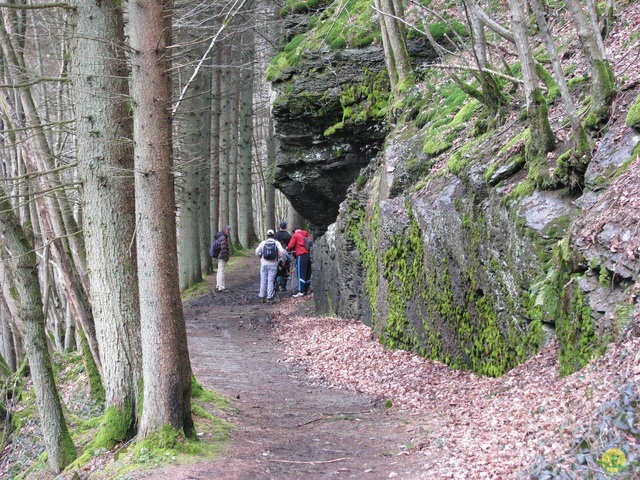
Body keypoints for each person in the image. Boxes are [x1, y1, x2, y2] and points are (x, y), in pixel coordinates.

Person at [255, 229, 288, 303]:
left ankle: (262, 296)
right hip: (273, 264)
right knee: (271, 280)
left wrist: (260, 257)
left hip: (264, 264)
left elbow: (257, 251)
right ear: (273, 235)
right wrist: (283, 259)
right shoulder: (276, 243)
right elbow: (282, 251)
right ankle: (269, 297)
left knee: (263, 279)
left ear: (267, 235)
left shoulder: (263, 243)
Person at [287, 226, 312, 297]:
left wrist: (287, 248)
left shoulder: (296, 235)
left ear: (295, 231)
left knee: (300, 273)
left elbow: (290, 246)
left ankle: (301, 291)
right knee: (307, 272)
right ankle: (306, 289)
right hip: (308, 255)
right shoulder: (306, 234)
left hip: (301, 255)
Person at [274, 220, 292, 292]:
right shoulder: (288, 235)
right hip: (285, 254)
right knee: (286, 269)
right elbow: (290, 245)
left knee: (276, 269)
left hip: (276, 254)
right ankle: (284, 286)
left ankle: (276, 285)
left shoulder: (275, 234)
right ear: (286, 227)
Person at [213, 225, 231, 292]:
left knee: (219, 270)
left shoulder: (220, 237)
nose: (229, 232)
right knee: (222, 271)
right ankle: (221, 287)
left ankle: (218, 285)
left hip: (219, 256)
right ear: (226, 230)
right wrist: (226, 257)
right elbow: (224, 249)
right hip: (222, 256)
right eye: (228, 230)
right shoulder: (223, 237)